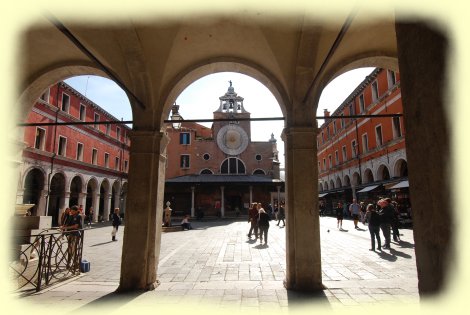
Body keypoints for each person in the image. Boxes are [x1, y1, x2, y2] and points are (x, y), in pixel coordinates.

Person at [61, 205, 82, 272]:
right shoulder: (70, 216)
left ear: (76, 211)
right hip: (70, 234)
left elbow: (76, 226)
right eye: (71, 210)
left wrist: (66, 228)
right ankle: (69, 262)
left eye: (73, 211)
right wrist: (63, 227)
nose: (71, 212)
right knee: (70, 249)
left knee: (74, 249)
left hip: (76, 235)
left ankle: (75, 263)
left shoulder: (79, 216)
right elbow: (67, 224)